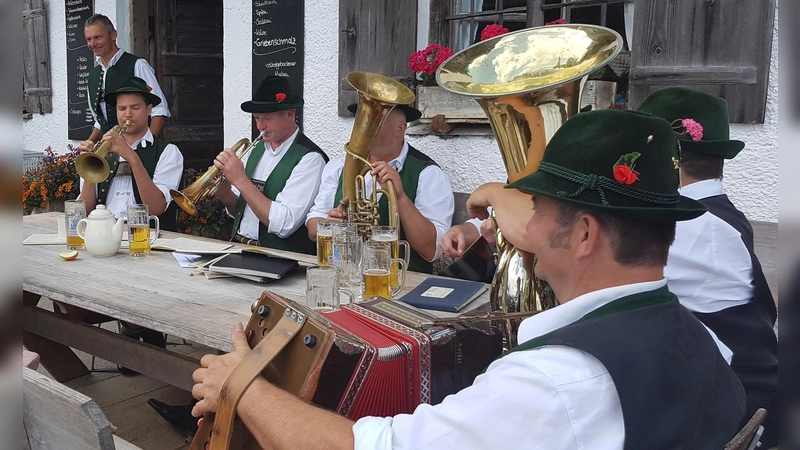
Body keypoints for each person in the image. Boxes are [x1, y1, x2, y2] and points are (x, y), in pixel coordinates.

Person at [190, 110, 746, 449]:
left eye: (539, 208)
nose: (524, 222)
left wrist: (245, 387)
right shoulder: (707, 340)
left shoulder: (561, 380)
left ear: (583, 236)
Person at [638, 87, 779, 448]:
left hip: (732, 408)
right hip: (723, 388)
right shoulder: (713, 213)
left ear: (665, 157)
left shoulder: (694, 223)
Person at [306, 104, 454, 272]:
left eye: (374, 123)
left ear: (400, 129)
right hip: (345, 275)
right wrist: (329, 224)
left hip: (401, 281)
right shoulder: (338, 167)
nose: (363, 131)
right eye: (361, 123)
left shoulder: (428, 174)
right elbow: (312, 228)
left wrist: (400, 197)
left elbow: (431, 250)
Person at [214, 76, 327, 254]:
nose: (260, 125)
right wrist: (226, 194)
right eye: (256, 118)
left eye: (266, 118)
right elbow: (242, 209)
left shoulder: (310, 159)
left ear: (290, 114)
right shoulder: (256, 149)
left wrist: (240, 179)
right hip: (240, 248)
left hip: (280, 259)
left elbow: (285, 224)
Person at [78, 76, 183, 232]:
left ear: (149, 110)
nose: (127, 114)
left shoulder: (168, 152)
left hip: (148, 239)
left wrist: (132, 157)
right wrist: (90, 169)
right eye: (121, 109)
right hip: (104, 233)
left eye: (135, 108)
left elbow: (156, 208)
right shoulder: (103, 148)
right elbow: (85, 212)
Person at [84, 14, 170, 141]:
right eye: (89, 39)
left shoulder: (137, 65)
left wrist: (146, 147)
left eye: (97, 37)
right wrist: (89, 144)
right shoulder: (92, 76)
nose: (92, 44)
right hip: (109, 155)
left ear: (113, 35)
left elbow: (160, 110)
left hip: (137, 148)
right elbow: (101, 121)